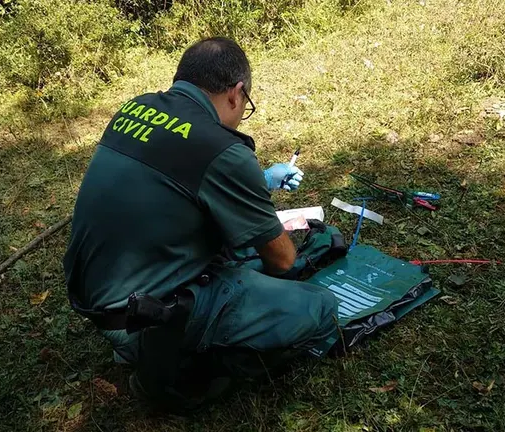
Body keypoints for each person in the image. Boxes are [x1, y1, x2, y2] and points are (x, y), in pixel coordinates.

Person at [62, 37, 343, 412]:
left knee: (236, 250)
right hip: (149, 318)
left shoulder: (136, 108)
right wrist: (251, 190)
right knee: (320, 308)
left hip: (96, 299)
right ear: (236, 93)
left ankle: (158, 345)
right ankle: (180, 371)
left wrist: (260, 179)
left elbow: (176, 184)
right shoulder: (223, 149)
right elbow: (283, 261)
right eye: (246, 105)